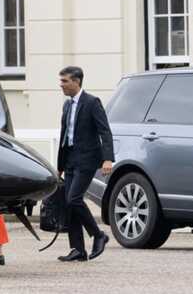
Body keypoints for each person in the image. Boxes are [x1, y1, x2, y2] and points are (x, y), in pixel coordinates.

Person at [56, 66, 114, 262]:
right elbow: (65, 135)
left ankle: (98, 235)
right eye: (61, 80)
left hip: (87, 159)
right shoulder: (67, 105)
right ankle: (78, 249)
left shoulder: (92, 102)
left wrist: (108, 159)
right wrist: (60, 165)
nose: (61, 85)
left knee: (74, 199)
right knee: (69, 203)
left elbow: (105, 131)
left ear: (77, 82)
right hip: (70, 159)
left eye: (65, 81)